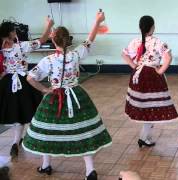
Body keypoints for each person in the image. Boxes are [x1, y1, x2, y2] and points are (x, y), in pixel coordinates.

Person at [22, 11, 112, 180]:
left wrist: (44, 89)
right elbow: (89, 40)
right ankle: (90, 170)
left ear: (53, 40)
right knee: (82, 131)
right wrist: (97, 21)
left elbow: (30, 78)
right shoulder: (75, 55)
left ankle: (46, 165)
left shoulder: (47, 60)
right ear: (68, 40)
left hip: (55, 95)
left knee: (48, 130)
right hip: (76, 95)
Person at [122, 15, 178, 148]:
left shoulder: (135, 41)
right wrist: (160, 71)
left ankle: (146, 138)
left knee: (145, 107)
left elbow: (124, 54)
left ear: (140, 27)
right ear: (153, 27)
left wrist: (133, 66)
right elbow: (168, 57)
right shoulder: (158, 42)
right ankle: (143, 138)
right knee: (151, 107)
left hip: (137, 76)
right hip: (151, 76)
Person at [0, 17, 53, 158]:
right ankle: (37, 141)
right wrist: (49, 25)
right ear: (11, 33)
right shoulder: (21, 46)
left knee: (16, 112)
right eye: (14, 30)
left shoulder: (1, 48)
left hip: (7, 82)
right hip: (23, 81)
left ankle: (15, 142)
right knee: (28, 111)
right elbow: (42, 40)